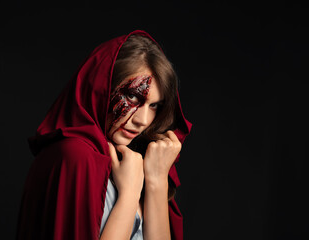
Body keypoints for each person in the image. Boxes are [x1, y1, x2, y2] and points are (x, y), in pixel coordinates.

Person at [16, 30, 192, 240]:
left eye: (154, 105)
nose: (143, 120)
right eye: (132, 97)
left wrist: (156, 180)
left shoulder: (139, 162)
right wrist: (129, 195)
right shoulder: (75, 156)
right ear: (102, 87)